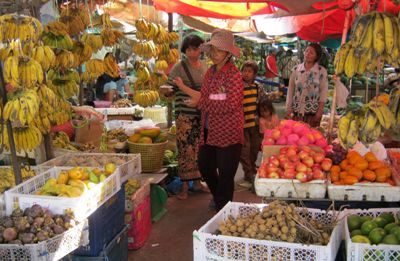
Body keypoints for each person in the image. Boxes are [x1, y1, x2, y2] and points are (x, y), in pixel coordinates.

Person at [177, 29, 244, 211]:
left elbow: (229, 103)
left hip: (229, 133)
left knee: (226, 174)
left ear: (228, 53)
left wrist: (201, 103)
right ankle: (220, 198)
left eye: (219, 50)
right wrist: (203, 100)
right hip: (208, 131)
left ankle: (224, 209)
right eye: (212, 50)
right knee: (205, 167)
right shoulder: (210, 73)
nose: (214, 54)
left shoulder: (234, 75)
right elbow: (207, 97)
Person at [159, 34, 209, 200]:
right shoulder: (179, 67)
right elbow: (170, 88)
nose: (192, 52)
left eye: (195, 48)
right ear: (184, 50)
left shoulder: (205, 67)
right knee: (185, 150)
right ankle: (185, 188)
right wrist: (165, 88)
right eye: (188, 49)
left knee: (198, 150)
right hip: (184, 117)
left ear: (200, 49)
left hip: (201, 115)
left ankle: (197, 183)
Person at [286, 43, 328, 127]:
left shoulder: (321, 71)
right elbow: (290, 90)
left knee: (310, 137)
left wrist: (319, 112)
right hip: (296, 113)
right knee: (297, 136)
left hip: (313, 114)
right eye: (306, 51)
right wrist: (288, 107)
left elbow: (324, 93)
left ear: (317, 56)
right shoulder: (296, 69)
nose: (307, 53)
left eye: (311, 52)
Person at [239, 61, 267, 184]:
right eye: (244, 71)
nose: (246, 74)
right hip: (242, 125)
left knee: (255, 148)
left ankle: (251, 167)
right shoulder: (237, 87)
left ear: (255, 74)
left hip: (254, 124)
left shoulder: (258, 87)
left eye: (249, 71)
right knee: (245, 150)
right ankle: (248, 172)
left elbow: (263, 102)